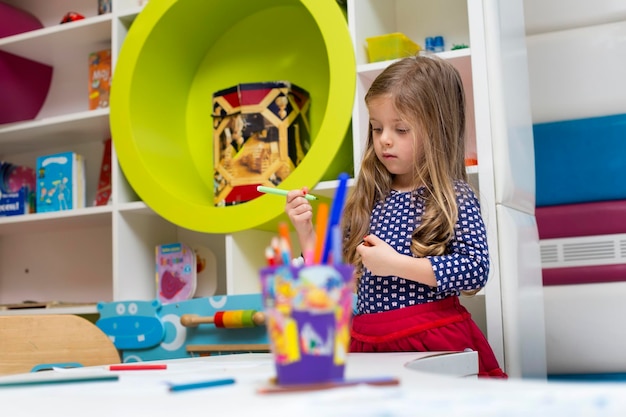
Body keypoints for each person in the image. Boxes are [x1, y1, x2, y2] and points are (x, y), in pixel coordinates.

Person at [284, 54, 506, 378]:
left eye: (400, 129)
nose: (384, 139)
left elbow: (475, 270)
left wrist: (397, 265)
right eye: (377, 128)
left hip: (431, 341)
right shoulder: (367, 198)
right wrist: (305, 232)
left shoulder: (454, 197)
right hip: (367, 341)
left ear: (437, 130)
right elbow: (332, 273)